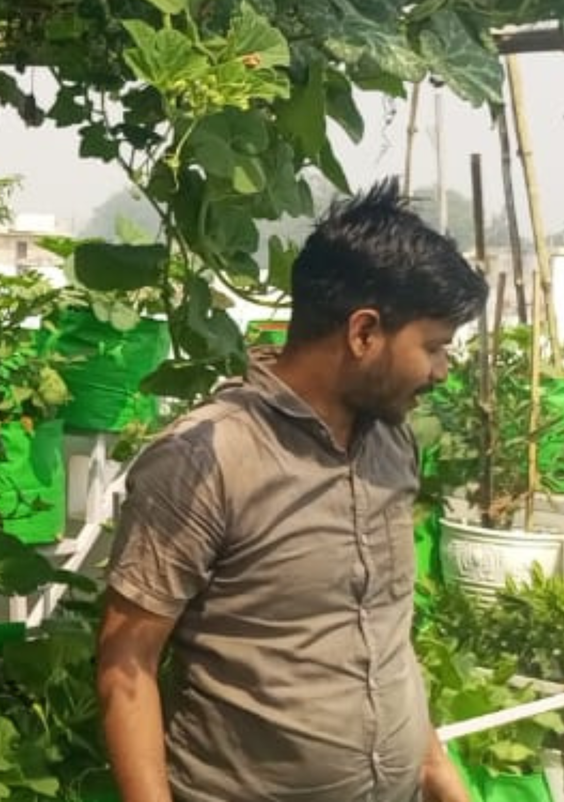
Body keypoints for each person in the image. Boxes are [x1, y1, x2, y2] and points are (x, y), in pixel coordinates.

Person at [96, 181, 487, 802]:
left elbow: (382, 634)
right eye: (433, 347)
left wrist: (440, 778)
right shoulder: (207, 459)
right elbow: (127, 666)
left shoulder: (393, 445)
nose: (441, 371)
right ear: (363, 333)